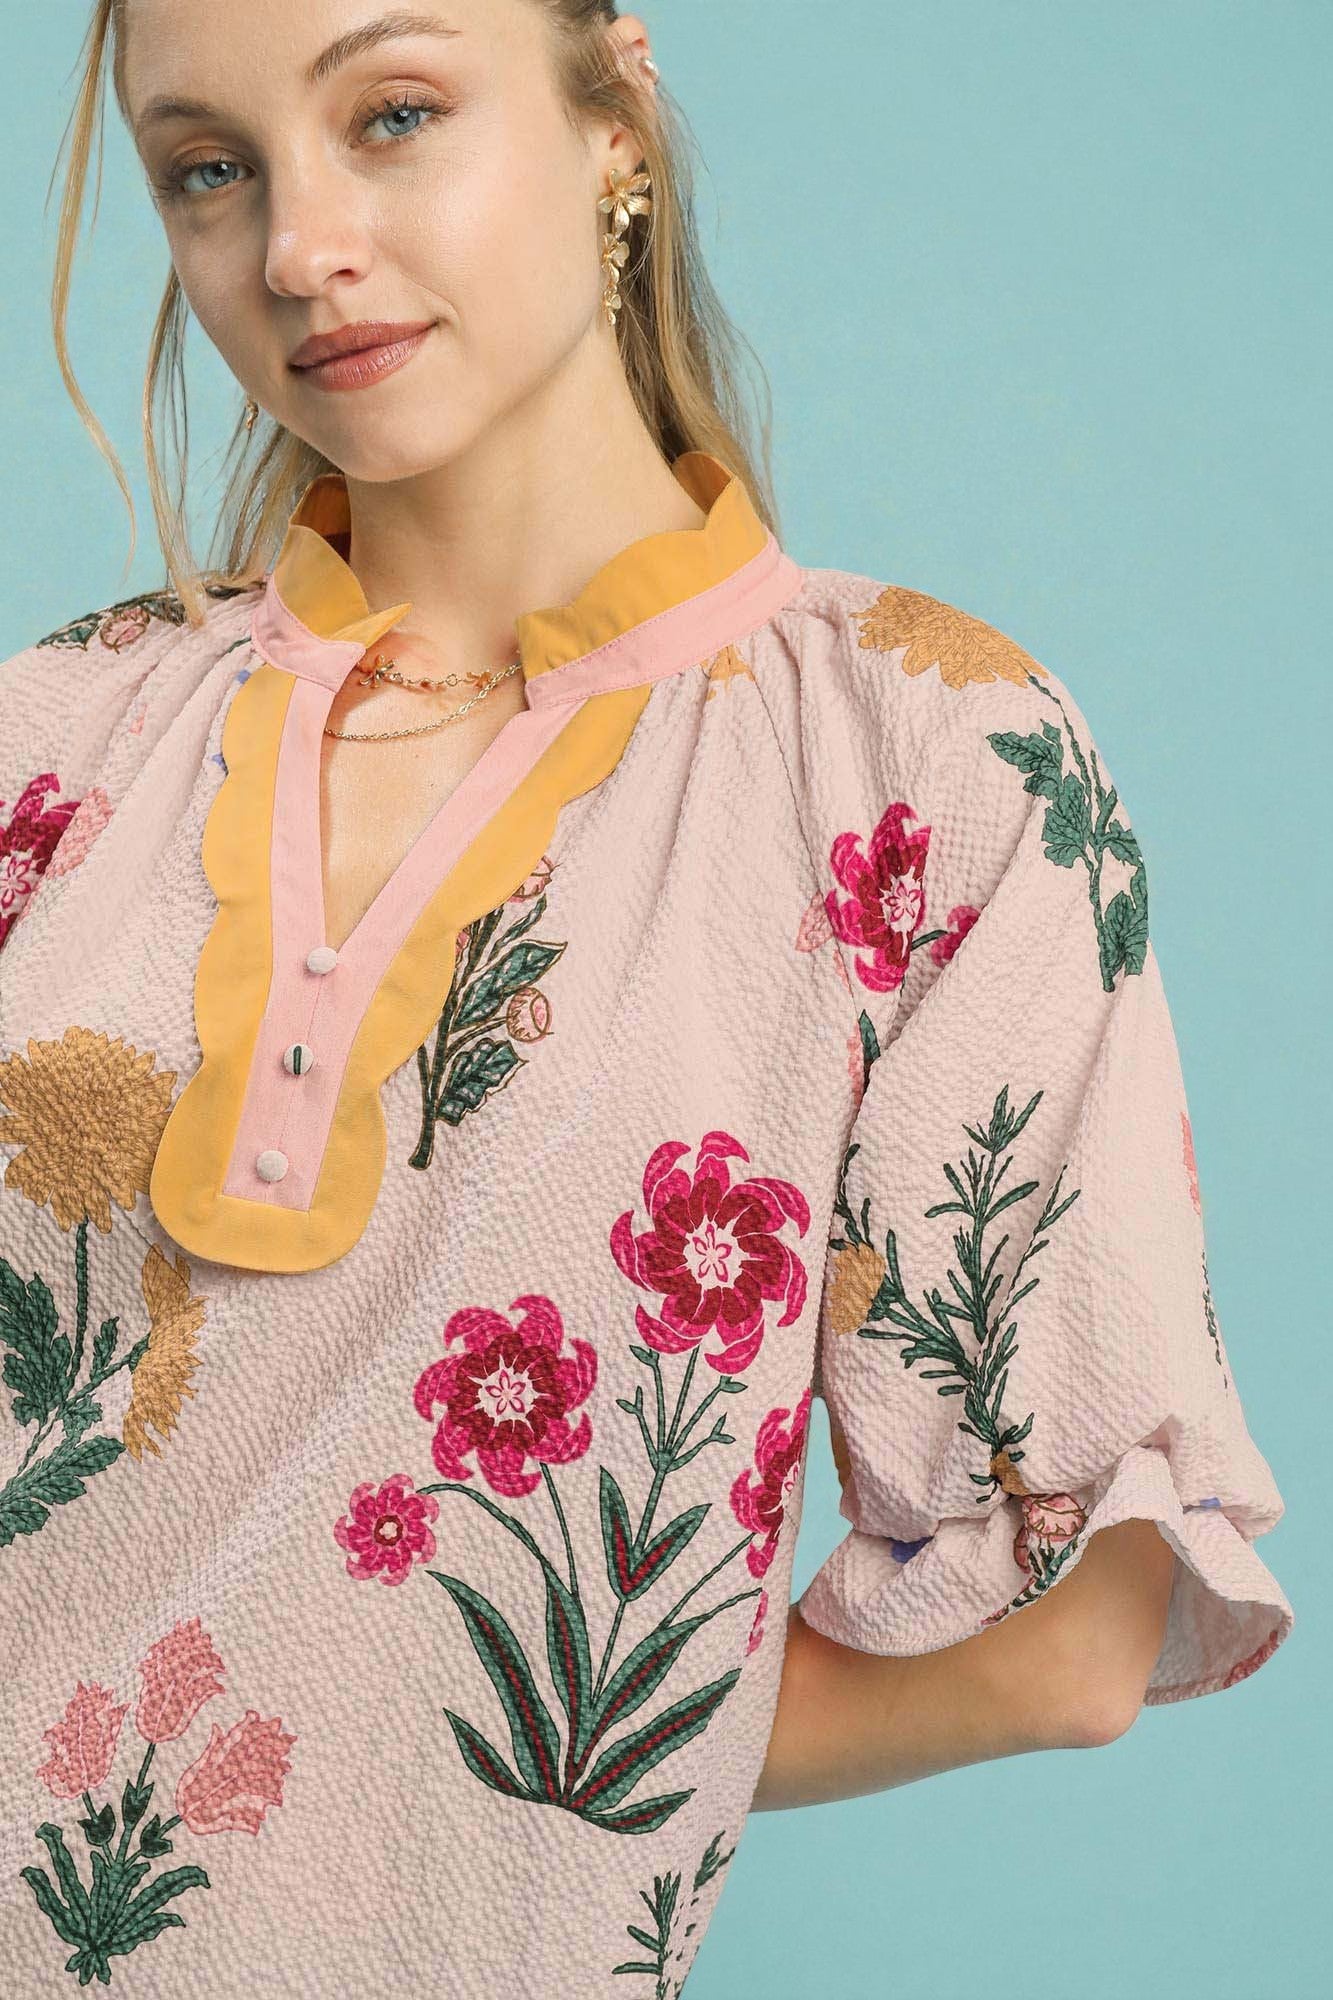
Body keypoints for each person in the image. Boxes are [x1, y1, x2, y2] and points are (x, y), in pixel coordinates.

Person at [0, 3, 1293, 1994]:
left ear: (617, 113)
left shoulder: (929, 763)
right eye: (209, 168)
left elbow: (1077, 1629)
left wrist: (340, 1789)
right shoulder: (48, 747)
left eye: (394, 113)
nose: (291, 245)